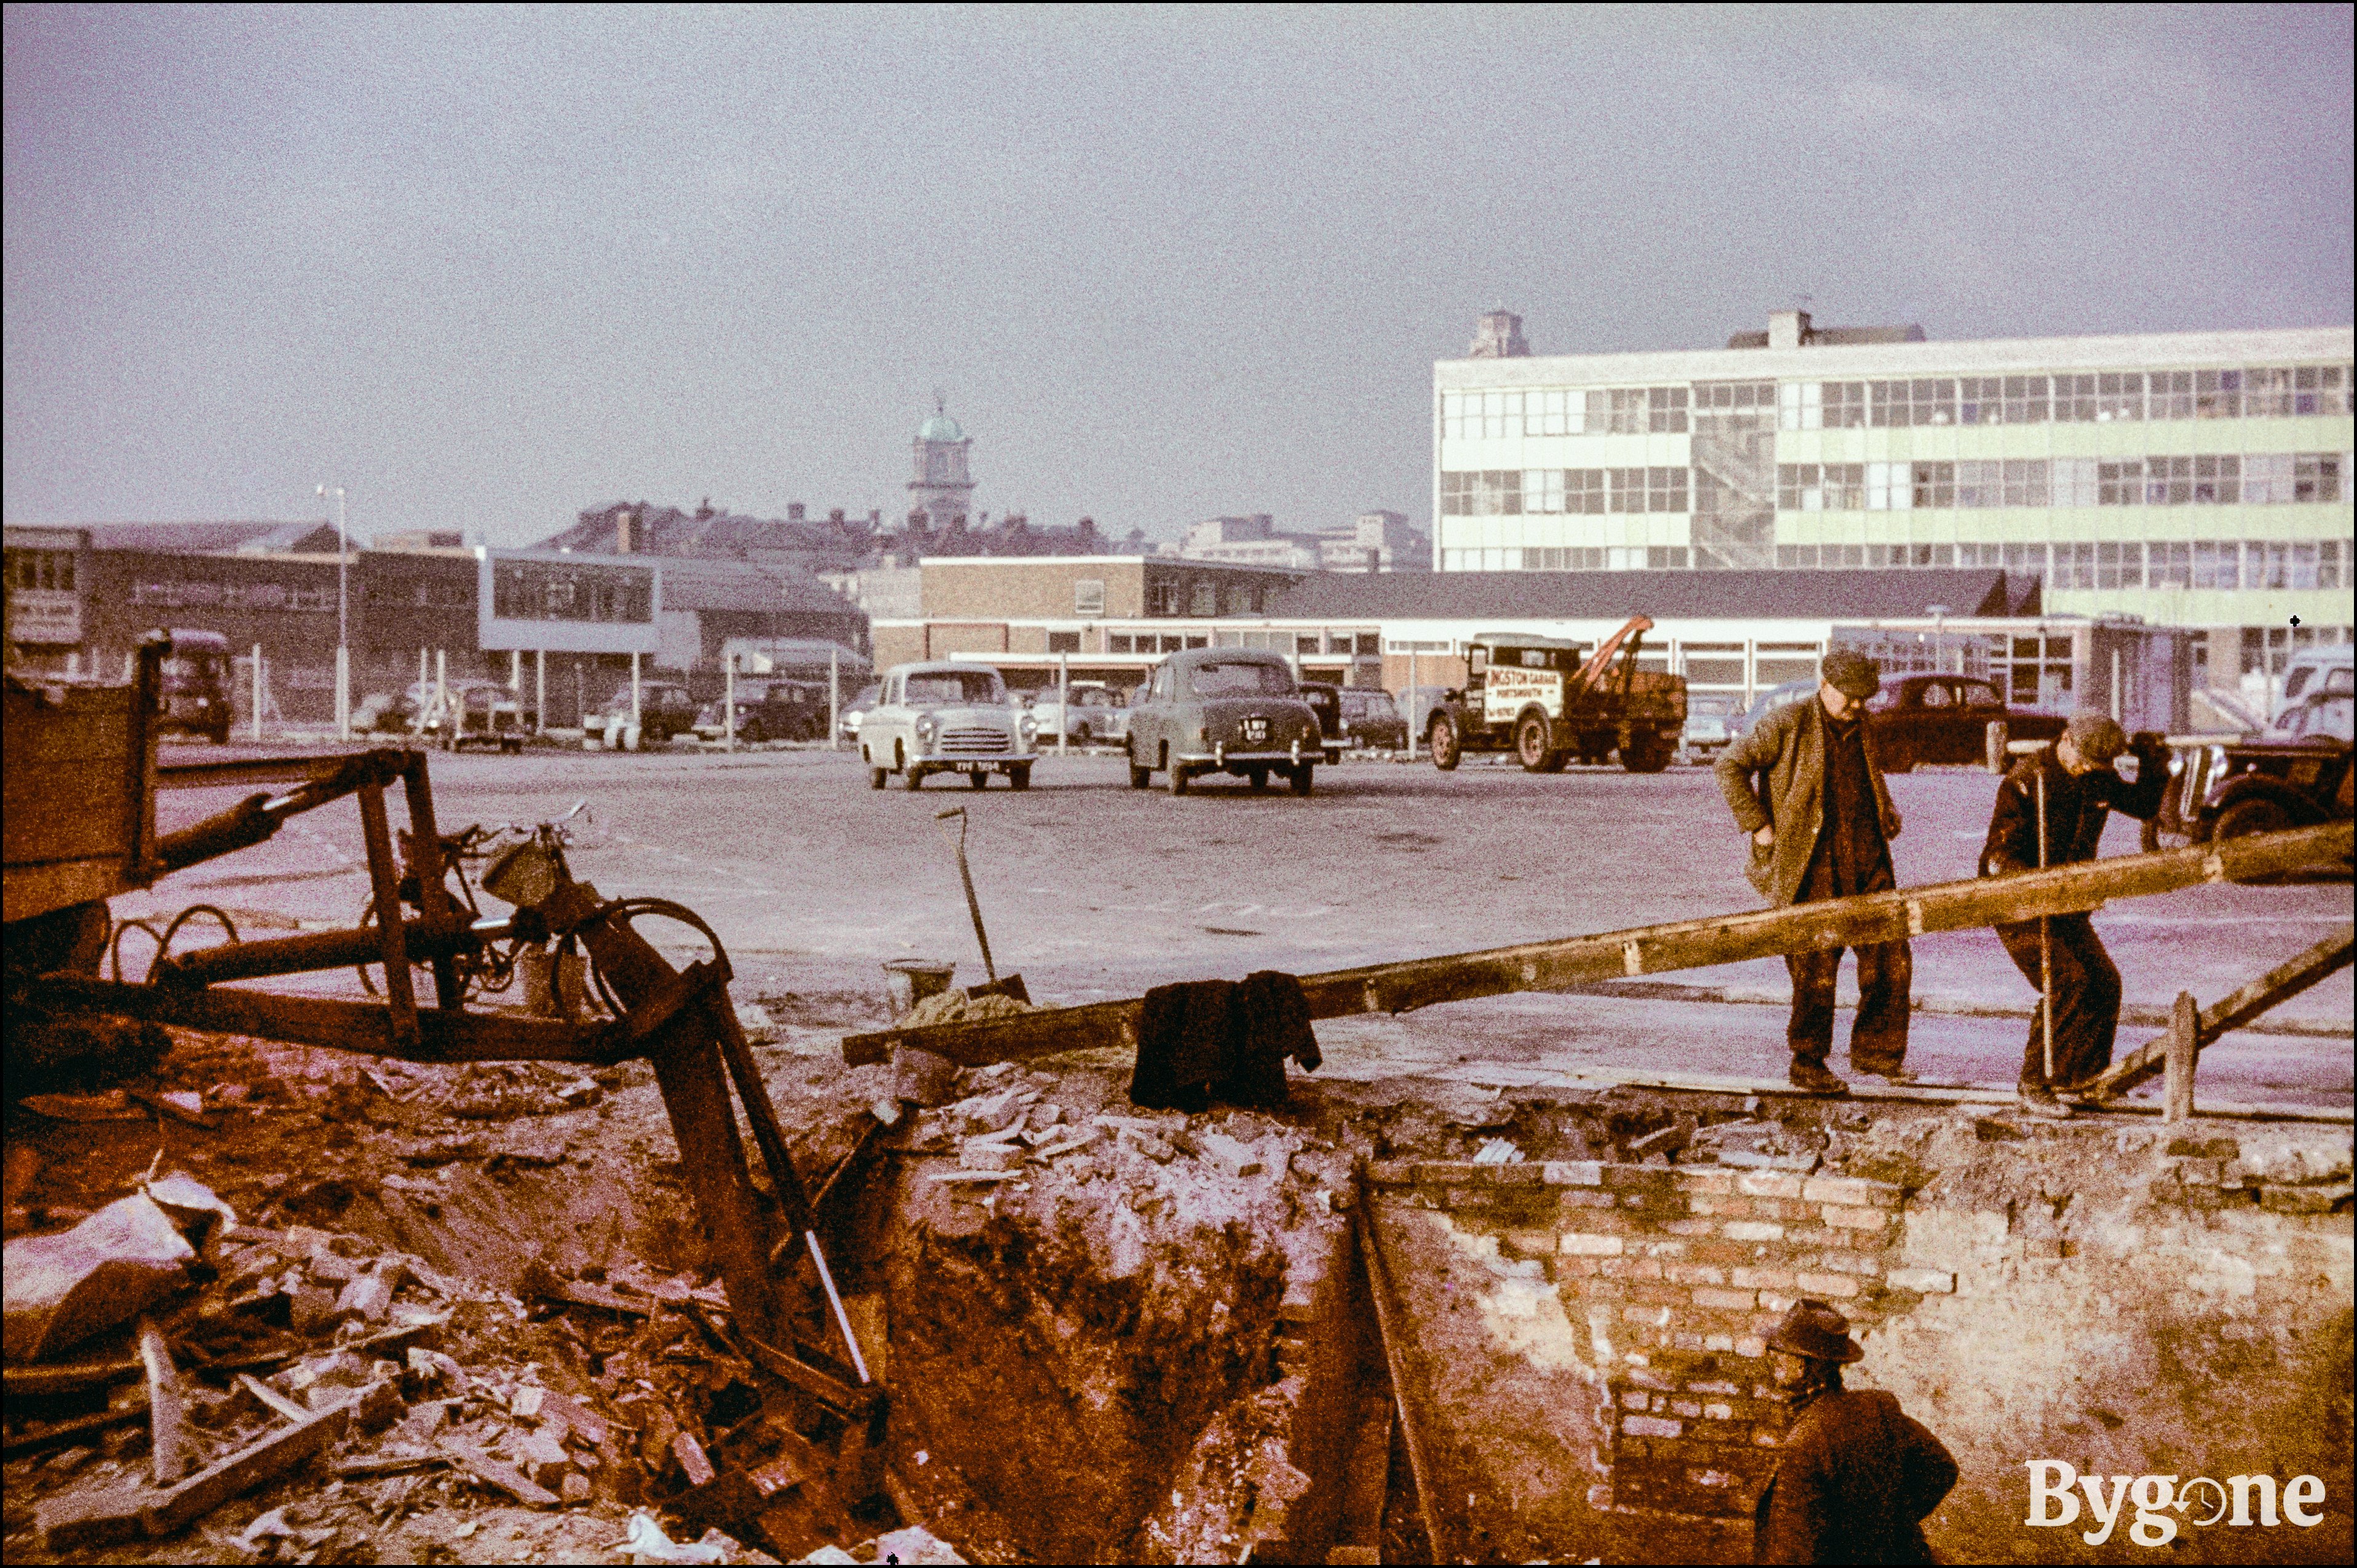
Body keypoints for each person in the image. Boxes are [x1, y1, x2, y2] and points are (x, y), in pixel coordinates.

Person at [1715, 651, 1908, 1094]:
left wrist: (1885, 805)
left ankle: (1877, 1053)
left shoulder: (1862, 725)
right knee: (1815, 968)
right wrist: (1760, 826)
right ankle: (1807, 1062)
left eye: (1865, 698)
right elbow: (1728, 765)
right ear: (1826, 686)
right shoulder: (1788, 722)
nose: (1859, 705)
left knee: (1890, 955)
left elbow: (1867, 775)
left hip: (1866, 856)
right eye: (1851, 697)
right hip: (1812, 863)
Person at [1981, 712, 2169, 1116]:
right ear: (2065, 739)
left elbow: (2143, 804)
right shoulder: (2028, 780)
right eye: (2081, 760)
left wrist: (2154, 765)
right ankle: (2034, 1081)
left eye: (2095, 767)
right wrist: (2034, 884)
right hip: (2018, 905)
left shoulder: (2096, 777)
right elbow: (1997, 856)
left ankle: (2083, 1076)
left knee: (2104, 982)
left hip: (2067, 904)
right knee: (2068, 980)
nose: (2085, 770)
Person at [1753, 1299, 1957, 1565]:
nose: (1772, 1358)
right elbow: (1942, 1468)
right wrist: (1890, 1524)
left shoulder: (1805, 1442)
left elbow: (1795, 1552)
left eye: (1779, 1353)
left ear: (1802, 1365)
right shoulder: (1877, 1409)